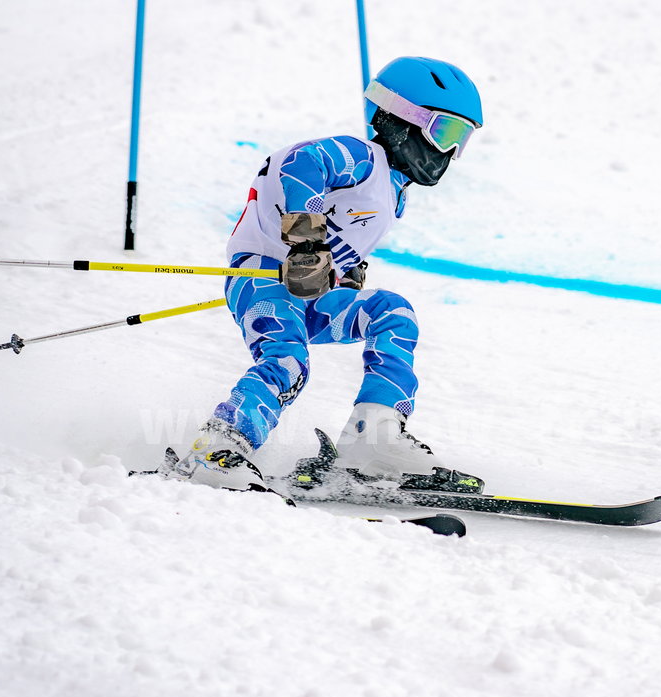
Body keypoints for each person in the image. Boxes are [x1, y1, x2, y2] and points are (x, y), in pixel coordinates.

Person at [161, 56, 484, 492]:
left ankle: (375, 438)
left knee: (392, 313)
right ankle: (218, 447)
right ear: (402, 118)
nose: (449, 152)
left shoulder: (393, 191)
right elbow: (299, 164)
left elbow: (345, 232)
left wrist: (346, 272)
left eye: (461, 139)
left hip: (310, 293)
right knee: (288, 362)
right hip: (264, 278)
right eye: (444, 132)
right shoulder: (359, 156)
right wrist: (307, 240)